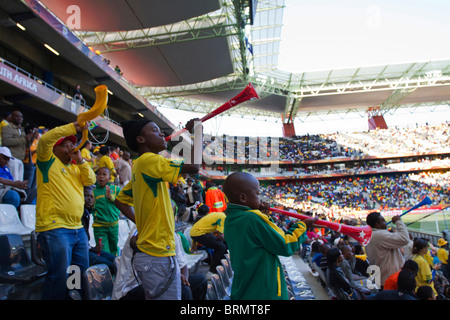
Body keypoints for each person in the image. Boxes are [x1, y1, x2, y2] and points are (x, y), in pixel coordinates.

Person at [115, 117, 202, 300]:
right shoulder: (149, 160)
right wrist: (198, 131)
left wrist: (143, 223)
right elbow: (193, 166)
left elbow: (120, 200)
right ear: (141, 139)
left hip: (154, 255)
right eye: (155, 130)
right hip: (156, 255)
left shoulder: (141, 165)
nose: (162, 133)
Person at [222, 171, 316, 300]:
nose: (260, 199)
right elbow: (285, 245)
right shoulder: (253, 217)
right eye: (257, 194)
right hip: (264, 290)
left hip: (247, 286)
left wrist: (265, 217)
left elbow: (259, 240)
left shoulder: (231, 218)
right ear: (243, 198)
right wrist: (302, 225)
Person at [35, 120, 96, 300]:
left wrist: (81, 160)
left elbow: (90, 180)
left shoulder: (76, 168)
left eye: (73, 144)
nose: (71, 148)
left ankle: (73, 298)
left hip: (77, 229)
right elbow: (45, 139)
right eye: (65, 145)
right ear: (54, 149)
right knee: (58, 277)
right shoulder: (47, 161)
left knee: (77, 274)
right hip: (55, 229)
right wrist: (74, 127)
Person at [365, 211, 410, 286]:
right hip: (389, 279)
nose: (385, 222)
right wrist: (398, 221)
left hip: (382, 278)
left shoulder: (370, 234)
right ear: (377, 224)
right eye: (383, 221)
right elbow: (405, 239)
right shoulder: (379, 235)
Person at [82, 186, 117, 276]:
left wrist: (94, 248)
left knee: (117, 261)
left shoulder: (86, 213)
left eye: (91, 197)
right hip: (82, 253)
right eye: (86, 196)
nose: (89, 199)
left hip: (89, 250)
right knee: (109, 266)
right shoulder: (78, 214)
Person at [92, 167, 121, 256]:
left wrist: (110, 198)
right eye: (99, 174)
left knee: (114, 249)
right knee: (104, 252)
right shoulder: (93, 191)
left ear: (109, 178)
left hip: (114, 226)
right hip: (100, 227)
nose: (101, 177)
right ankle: (106, 268)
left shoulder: (115, 189)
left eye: (104, 175)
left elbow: (121, 203)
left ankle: (115, 268)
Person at [2, 110, 36, 182]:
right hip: (12, 158)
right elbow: (6, 142)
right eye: (16, 116)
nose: (19, 118)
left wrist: (32, 137)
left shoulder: (21, 129)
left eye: (21, 116)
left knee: (19, 182)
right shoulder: (7, 128)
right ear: (11, 117)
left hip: (21, 159)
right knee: (13, 182)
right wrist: (24, 139)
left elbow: (26, 145)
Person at [189, 210, 227, 275]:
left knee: (221, 244)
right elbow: (219, 236)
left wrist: (194, 243)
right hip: (199, 233)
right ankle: (213, 269)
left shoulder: (219, 215)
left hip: (196, 232)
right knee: (221, 247)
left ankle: (219, 263)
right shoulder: (223, 217)